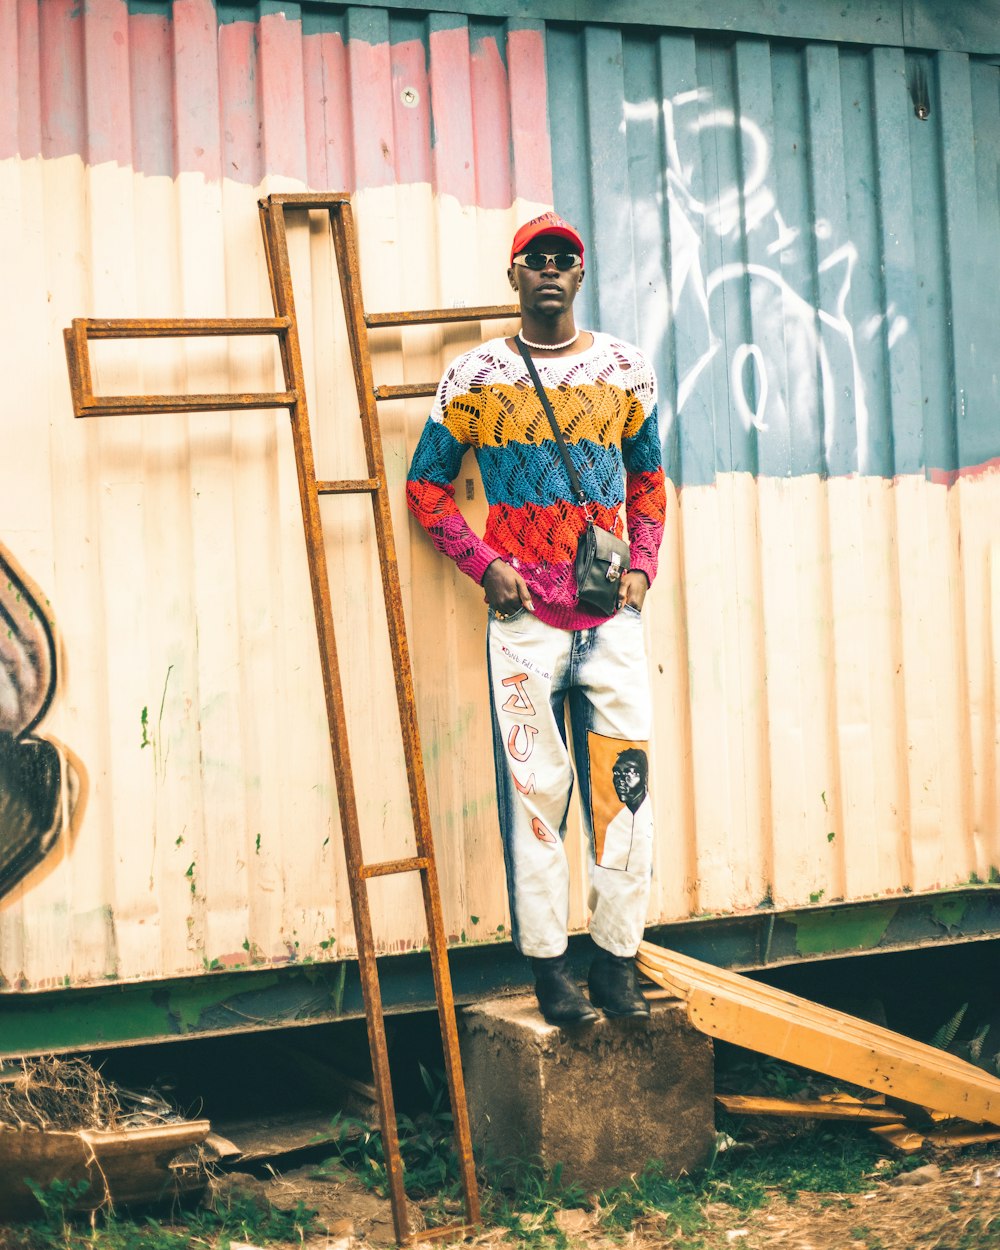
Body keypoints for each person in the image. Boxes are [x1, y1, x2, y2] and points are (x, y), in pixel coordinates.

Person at [406, 212, 665, 1024]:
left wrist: (643, 572)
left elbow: (649, 483)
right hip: (524, 623)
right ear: (512, 275)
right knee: (535, 793)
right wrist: (485, 567)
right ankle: (551, 976)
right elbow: (425, 486)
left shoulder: (625, 369)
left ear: (580, 276)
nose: (550, 271)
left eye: (564, 260)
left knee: (627, 793)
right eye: (534, 260)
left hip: (608, 617)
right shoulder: (474, 377)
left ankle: (617, 967)